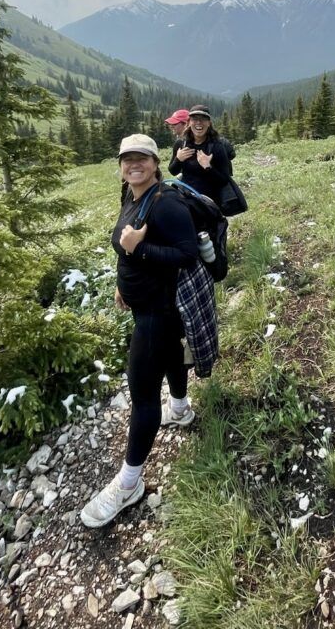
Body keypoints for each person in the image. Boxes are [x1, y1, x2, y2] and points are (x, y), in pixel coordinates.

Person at [80, 133, 199, 529]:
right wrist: (122, 281)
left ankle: (129, 483)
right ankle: (180, 410)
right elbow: (126, 243)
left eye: (142, 158)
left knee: (143, 396)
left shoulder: (165, 205)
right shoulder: (132, 196)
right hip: (147, 306)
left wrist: (139, 250)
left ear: (155, 162)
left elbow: (186, 255)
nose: (134, 165)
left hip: (159, 313)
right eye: (127, 159)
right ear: (120, 166)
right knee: (172, 359)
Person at [168, 105, 231, 201]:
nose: (198, 122)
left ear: (209, 123)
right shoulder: (181, 144)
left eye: (203, 119)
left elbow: (224, 180)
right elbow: (173, 171)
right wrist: (178, 159)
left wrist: (208, 167)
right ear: (189, 122)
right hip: (186, 198)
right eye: (194, 119)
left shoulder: (217, 146)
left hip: (208, 202)